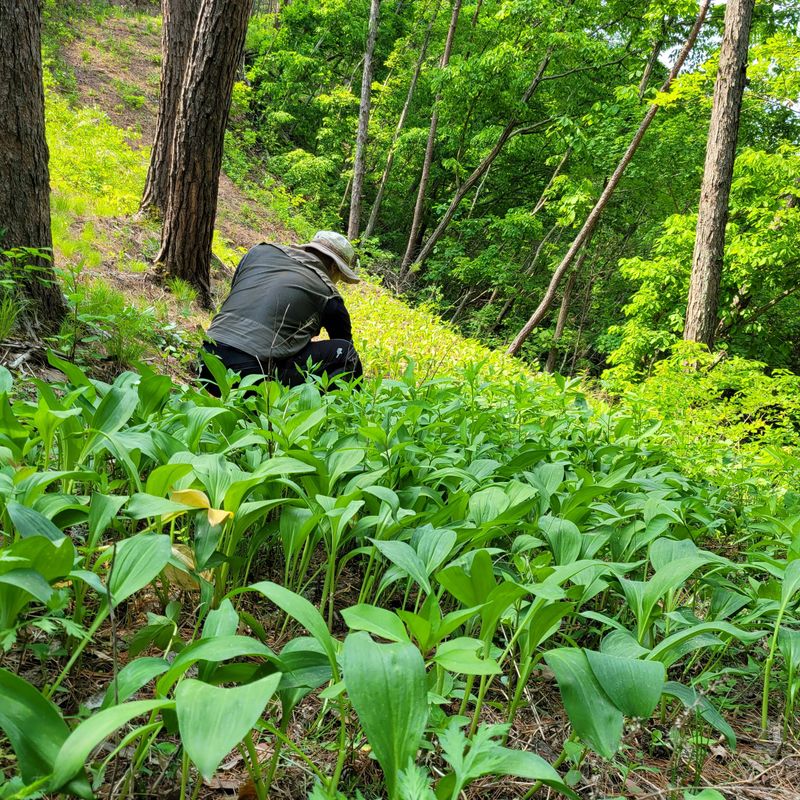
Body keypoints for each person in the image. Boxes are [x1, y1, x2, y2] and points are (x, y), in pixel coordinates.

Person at [199, 231, 363, 395]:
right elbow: (345, 347)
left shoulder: (258, 252)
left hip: (206, 362)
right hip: (250, 379)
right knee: (347, 353)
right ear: (334, 267)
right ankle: (324, 407)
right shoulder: (329, 294)